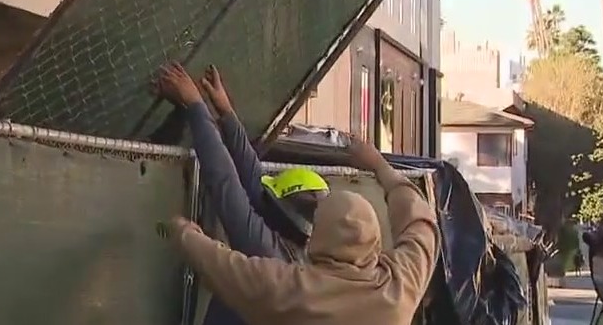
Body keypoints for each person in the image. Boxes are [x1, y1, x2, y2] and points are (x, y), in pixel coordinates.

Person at [162, 134, 440, 325]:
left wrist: (182, 231)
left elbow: (224, 266)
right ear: (374, 238)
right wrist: (379, 166)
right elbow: (419, 220)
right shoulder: (400, 287)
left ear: (318, 235)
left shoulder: (293, 290)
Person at [153, 62, 331, 324]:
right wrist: (226, 113)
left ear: (281, 213)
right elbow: (254, 179)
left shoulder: (268, 253)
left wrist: (195, 105)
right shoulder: (298, 253)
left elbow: (225, 183)